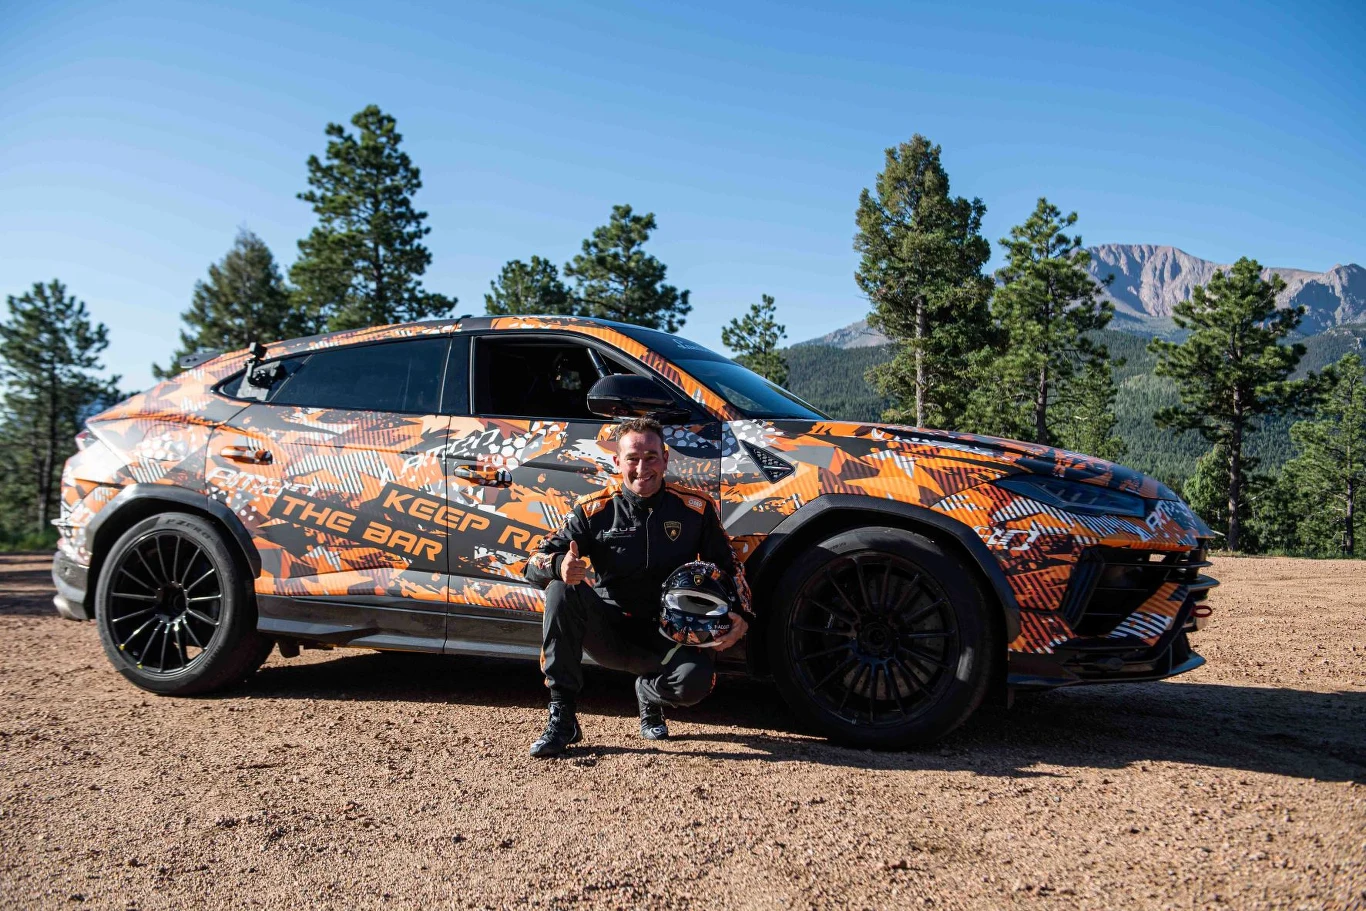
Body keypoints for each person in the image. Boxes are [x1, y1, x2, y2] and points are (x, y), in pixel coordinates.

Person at [523, 416, 752, 757]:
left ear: (666, 459)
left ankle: (648, 693)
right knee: (561, 589)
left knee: (695, 684)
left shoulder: (695, 508)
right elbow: (533, 562)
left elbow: (730, 567)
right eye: (632, 458)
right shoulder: (593, 510)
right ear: (617, 461)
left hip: (672, 633)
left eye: (651, 457)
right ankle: (563, 717)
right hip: (609, 633)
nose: (642, 467)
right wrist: (560, 565)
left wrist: (741, 614)